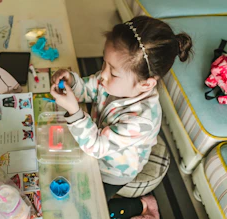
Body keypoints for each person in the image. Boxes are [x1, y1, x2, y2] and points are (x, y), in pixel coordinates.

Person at [50, 15, 193, 218]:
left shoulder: (141, 121)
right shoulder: (113, 81)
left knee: (90, 211)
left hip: (114, 170)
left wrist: (75, 112)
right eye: (104, 62)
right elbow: (88, 88)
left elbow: (97, 146)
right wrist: (72, 81)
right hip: (99, 143)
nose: (103, 74)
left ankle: (142, 205)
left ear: (146, 84)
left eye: (113, 72)